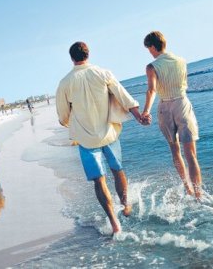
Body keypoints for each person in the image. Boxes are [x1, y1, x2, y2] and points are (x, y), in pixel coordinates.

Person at [56, 41, 150, 234]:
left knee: (99, 181)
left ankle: (114, 223)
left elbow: (63, 115)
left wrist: (68, 121)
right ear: (88, 54)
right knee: (118, 170)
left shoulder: (65, 82)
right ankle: (126, 206)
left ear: (72, 58)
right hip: (109, 133)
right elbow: (123, 96)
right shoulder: (103, 73)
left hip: (86, 139)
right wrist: (139, 116)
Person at [141, 31, 203, 199]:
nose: (150, 52)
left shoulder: (152, 67)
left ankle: (187, 188)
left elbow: (152, 90)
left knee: (175, 151)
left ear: (153, 47)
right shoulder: (181, 61)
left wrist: (145, 111)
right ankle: (198, 194)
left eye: (149, 49)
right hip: (182, 104)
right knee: (191, 154)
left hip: (165, 108)